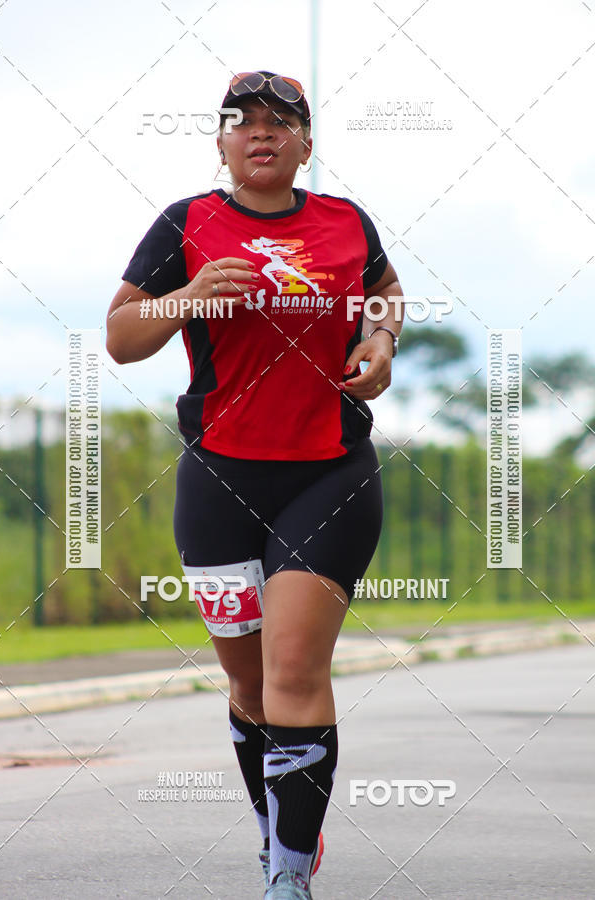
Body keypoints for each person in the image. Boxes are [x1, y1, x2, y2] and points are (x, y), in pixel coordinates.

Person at [106, 70, 405, 900]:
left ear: (307, 143)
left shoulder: (346, 223)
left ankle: (287, 873)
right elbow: (121, 338)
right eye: (244, 123)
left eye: (281, 122)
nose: (262, 134)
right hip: (220, 477)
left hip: (331, 470)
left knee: (296, 667)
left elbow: (383, 294)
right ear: (222, 143)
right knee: (247, 684)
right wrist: (188, 298)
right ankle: (280, 832)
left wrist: (380, 345)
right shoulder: (185, 223)